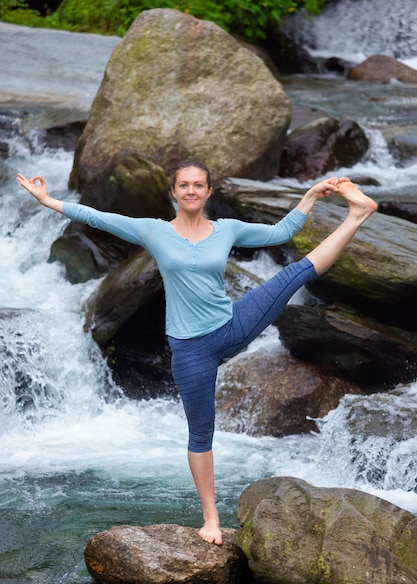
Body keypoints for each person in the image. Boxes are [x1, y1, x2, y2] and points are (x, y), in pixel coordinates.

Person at [16, 160, 377, 546]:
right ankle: (211, 519)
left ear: (207, 193)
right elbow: (98, 217)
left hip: (233, 324)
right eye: (184, 185)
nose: (191, 190)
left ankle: (358, 213)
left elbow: (281, 232)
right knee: (201, 433)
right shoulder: (153, 231)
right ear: (174, 193)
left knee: (292, 275)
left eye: (198, 185)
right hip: (191, 350)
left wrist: (309, 197)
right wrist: (48, 200)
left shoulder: (226, 231)